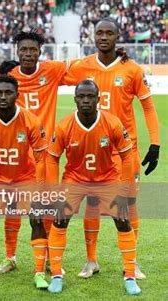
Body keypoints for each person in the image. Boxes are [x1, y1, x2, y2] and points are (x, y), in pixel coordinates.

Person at [63, 17, 159, 279]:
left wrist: (155, 143)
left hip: (125, 151)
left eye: (109, 33)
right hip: (93, 151)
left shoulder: (132, 69)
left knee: (128, 205)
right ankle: (91, 261)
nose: (103, 37)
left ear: (118, 37)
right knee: (92, 203)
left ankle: (132, 262)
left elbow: (148, 107)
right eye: (99, 33)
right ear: (93, 36)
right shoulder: (82, 66)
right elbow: (49, 72)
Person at [46, 80, 140, 295]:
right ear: (75, 99)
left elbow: (127, 156)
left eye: (90, 96)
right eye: (81, 97)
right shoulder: (64, 125)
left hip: (107, 179)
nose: (86, 100)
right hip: (75, 180)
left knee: (123, 221)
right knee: (60, 219)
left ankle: (130, 276)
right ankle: (57, 275)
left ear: (98, 99)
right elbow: (52, 158)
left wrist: (124, 192)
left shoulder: (112, 122)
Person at [0, 30, 69, 274]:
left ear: (40, 52)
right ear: (17, 51)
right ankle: (10, 257)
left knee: (45, 207)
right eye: (23, 49)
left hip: (44, 153)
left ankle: (47, 257)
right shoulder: (8, 76)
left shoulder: (53, 70)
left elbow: (81, 68)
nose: (28, 53)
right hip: (14, 152)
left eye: (32, 49)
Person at [0, 75, 49, 289]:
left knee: (37, 219)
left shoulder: (31, 120)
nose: (3, 97)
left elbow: (41, 160)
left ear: (17, 95)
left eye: (8, 93)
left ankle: (40, 273)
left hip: (26, 178)